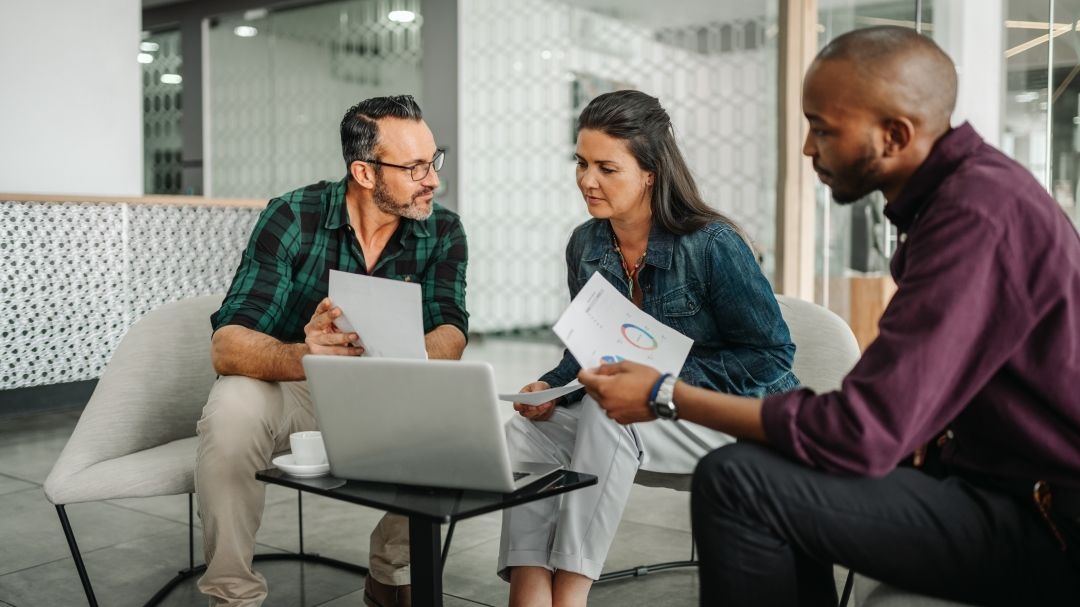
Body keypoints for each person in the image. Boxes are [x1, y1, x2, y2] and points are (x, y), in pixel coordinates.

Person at [578, 26, 1080, 606]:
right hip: (987, 483)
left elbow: (862, 435)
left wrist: (668, 394)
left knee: (735, 482)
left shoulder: (977, 217)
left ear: (894, 136)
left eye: (823, 129)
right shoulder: (964, 198)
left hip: (1046, 522)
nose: (808, 149)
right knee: (767, 462)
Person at [498, 89, 799, 607]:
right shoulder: (585, 245)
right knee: (529, 429)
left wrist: (661, 381)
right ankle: (530, 591)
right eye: (581, 163)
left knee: (609, 417)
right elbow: (588, 350)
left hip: (730, 418)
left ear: (650, 173)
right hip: (646, 413)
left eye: (606, 168)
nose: (587, 180)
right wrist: (551, 384)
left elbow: (771, 357)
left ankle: (571, 594)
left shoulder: (712, 245)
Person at [196, 94, 468, 607]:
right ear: (364, 172)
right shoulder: (292, 216)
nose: (434, 179)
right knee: (232, 405)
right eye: (415, 168)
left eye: (434, 161)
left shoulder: (443, 229)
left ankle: (390, 572)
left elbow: (450, 326)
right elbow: (227, 345)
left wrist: (407, 361)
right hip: (298, 390)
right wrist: (306, 352)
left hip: (389, 392)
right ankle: (232, 594)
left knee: (457, 413)